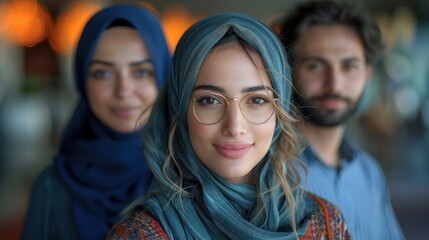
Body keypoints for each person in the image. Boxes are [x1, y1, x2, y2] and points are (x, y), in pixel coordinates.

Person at [108, 12, 350, 239]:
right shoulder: (139, 235)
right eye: (209, 100)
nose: (235, 127)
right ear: (179, 110)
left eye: (257, 100)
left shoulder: (323, 222)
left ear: (280, 110)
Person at [20, 4, 171, 240]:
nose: (123, 91)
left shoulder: (186, 180)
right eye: (103, 73)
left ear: (163, 77)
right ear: (82, 81)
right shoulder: (53, 187)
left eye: (141, 72)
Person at [274, 1, 404, 239]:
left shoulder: (369, 173)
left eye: (349, 66)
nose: (334, 83)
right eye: (315, 66)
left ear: (366, 76)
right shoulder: (268, 173)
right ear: (289, 71)